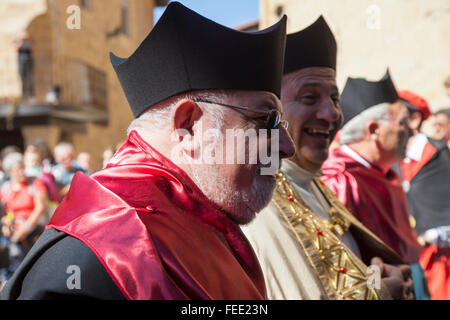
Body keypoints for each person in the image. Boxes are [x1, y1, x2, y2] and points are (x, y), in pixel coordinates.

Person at [1, 2, 294, 300]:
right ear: (188, 126)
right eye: (266, 119)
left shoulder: (209, 220)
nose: (286, 146)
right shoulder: (91, 254)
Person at [242, 17, 412, 300]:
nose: (331, 114)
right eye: (310, 97)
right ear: (270, 109)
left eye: (334, 98)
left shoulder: (312, 184)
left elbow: (338, 278)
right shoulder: (259, 202)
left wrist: (375, 276)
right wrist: (381, 294)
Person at [321, 71, 429, 299]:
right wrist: (377, 293)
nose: (411, 130)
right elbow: (349, 260)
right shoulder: (340, 179)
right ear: (373, 130)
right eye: (402, 123)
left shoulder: (384, 171)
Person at [0, 152, 48, 281]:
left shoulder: (35, 183)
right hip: (16, 231)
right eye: (17, 170)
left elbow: (40, 208)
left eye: (22, 167)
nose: (22, 172)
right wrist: (7, 223)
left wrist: (25, 229)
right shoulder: (5, 187)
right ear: (10, 172)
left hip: (34, 229)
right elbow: (7, 212)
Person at [14, 31, 35, 101]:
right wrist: (20, 41)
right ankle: (23, 95)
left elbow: (32, 49)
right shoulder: (18, 41)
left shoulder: (29, 41)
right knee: (22, 78)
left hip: (29, 61)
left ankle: (32, 95)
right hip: (21, 62)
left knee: (30, 78)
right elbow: (16, 49)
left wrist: (27, 41)